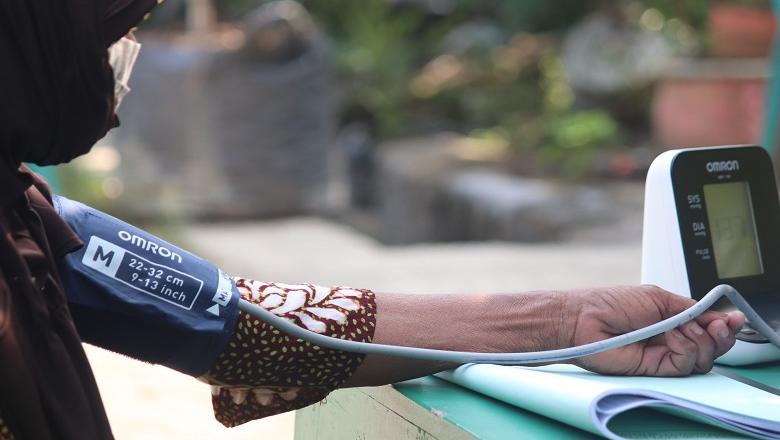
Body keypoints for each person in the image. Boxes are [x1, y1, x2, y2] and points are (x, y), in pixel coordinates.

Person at [0, 0, 745, 438]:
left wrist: (562, 323)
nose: (110, 75)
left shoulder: (26, 216)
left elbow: (237, 325)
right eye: (105, 35)